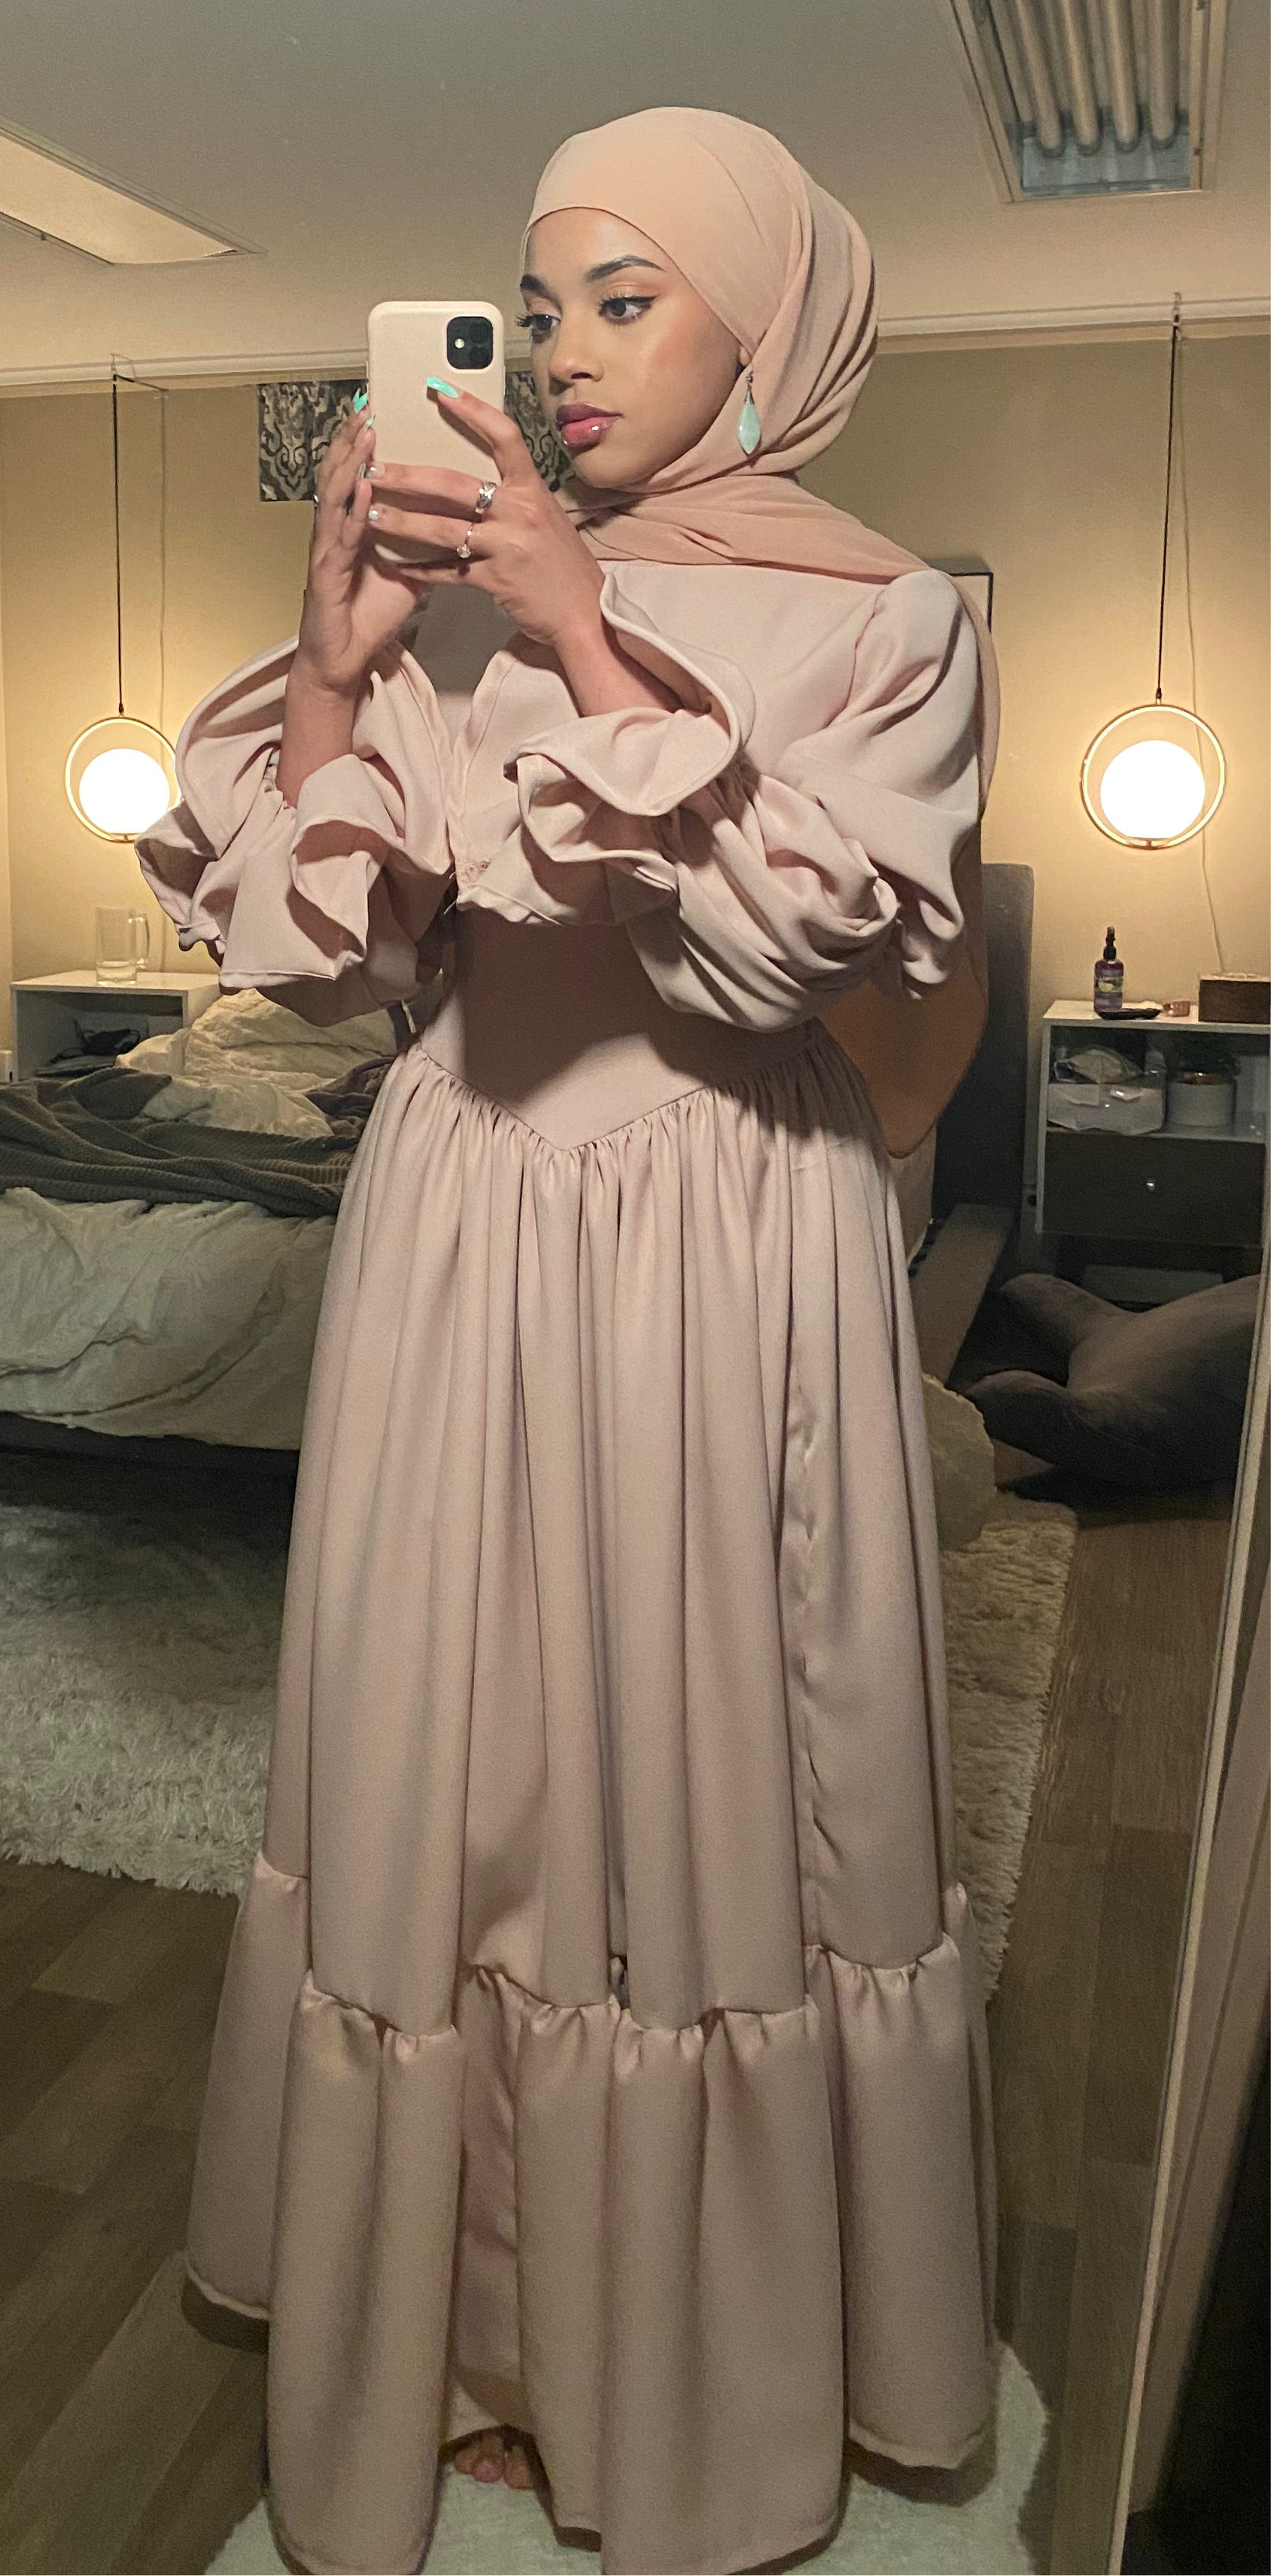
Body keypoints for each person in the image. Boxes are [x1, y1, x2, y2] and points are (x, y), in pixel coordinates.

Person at [138, 104, 1001, 2576]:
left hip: (720, 1236)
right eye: (543, 306)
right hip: (462, 1215)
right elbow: (329, 953)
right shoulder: (470, 598)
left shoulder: (887, 616)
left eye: (632, 297)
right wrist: (338, 663)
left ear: (770, 323)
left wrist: (586, 624)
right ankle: (479, 2341)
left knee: (703, 1768)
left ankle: (713, 2366)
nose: (571, 353)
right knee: (452, 1762)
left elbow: (788, 948)